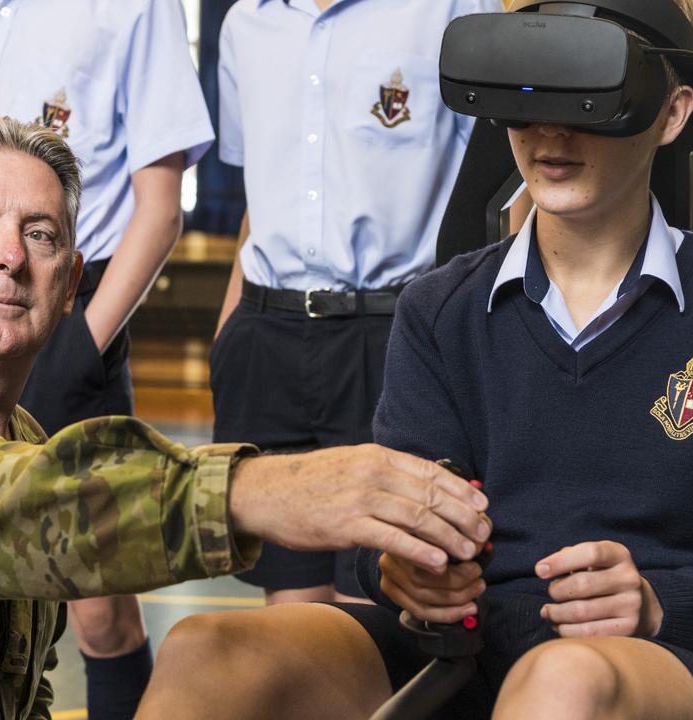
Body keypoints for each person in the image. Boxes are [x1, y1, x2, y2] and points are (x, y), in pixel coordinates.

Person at [138, 1, 693, 717]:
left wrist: (660, 601)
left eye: (587, 96)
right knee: (204, 651)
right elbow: (386, 525)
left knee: (561, 680)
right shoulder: (440, 311)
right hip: (469, 654)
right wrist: (397, 572)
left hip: (668, 660)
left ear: (671, 113)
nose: (551, 133)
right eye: (530, 97)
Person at [0, 115, 492, 720]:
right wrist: (258, 491)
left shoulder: (34, 446)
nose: (9, 256)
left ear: (69, 281)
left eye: (38, 235)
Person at [0, 3, 209, 713]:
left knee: (98, 610)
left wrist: (80, 343)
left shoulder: (134, 8)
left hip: (56, 320)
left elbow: (160, 207)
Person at [211, 0, 503, 606]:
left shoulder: (448, 8)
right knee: (290, 617)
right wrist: (229, 334)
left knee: (378, 605)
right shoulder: (246, 22)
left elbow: (510, 181)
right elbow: (258, 192)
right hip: (267, 334)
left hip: (393, 333)